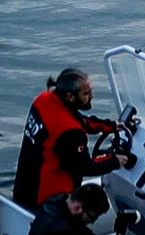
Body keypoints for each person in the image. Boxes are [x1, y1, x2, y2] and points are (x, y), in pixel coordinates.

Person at [13, 68, 134, 209]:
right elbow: (86, 167)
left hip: (24, 189)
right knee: (96, 206)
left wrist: (110, 126)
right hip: (48, 202)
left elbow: (77, 120)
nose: (92, 96)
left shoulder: (43, 100)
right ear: (70, 96)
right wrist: (115, 161)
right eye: (86, 93)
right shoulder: (69, 133)